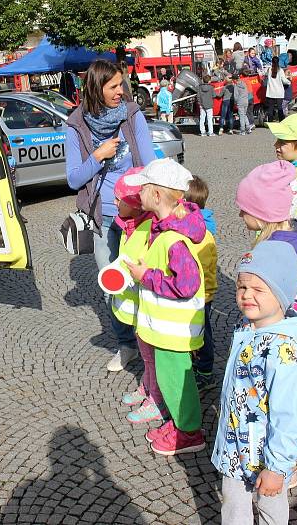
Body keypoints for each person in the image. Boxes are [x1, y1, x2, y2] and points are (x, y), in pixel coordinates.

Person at [212, 240, 297, 525]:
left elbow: (295, 414)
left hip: (268, 455)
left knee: (270, 507)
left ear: (280, 295)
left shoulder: (284, 351)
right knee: (234, 506)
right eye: (242, 287)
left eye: (258, 289)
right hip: (235, 448)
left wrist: (277, 467)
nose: (246, 295)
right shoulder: (246, 326)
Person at [65, 59, 156, 372]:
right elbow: (74, 178)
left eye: (122, 85)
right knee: (112, 283)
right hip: (102, 217)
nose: (121, 91)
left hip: (138, 215)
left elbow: (150, 162)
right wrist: (98, 156)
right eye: (114, 86)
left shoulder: (132, 115)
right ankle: (126, 345)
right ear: (96, 88)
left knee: (143, 277)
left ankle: (151, 345)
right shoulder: (75, 123)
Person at [122, 159, 208, 456]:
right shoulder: (163, 228)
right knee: (171, 380)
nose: (138, 196)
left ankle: (189, 432)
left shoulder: (172, 238)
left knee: (176, 381)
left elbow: (186, 285)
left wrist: (146, 276)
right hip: (164, 329)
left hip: (174, 331)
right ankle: (179, 422)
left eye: (143, 189)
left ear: (157, 196)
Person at [236, 161, 297, 319]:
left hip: (276, 328)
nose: (240, 215)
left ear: (261, 213)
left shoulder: (272, 252)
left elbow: (263, 301)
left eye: (244, 210)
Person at [111, 167, 163, 424]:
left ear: (134, 203)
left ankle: (157, 399)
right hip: (140, 306)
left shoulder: (146, 229)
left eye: (119, 199)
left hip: (150, 306)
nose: (114, 202)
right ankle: (147, 385)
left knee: (153, 355)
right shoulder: (130, 225)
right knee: (146, 355)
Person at [185, 177, 217, 391]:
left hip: (199, 294)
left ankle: (206, 372)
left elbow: (196, 268)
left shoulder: (199, 233)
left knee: (202, 332)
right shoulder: (198, 225)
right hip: (196, 293)